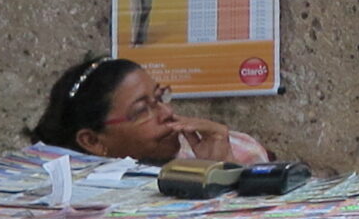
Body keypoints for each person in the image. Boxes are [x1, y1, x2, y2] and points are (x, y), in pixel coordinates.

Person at [34, 57, 269, 164]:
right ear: (92, 141)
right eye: (141, 111)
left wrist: (220, 172)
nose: (167, 113)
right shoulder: (70, 198)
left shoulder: (234, 149)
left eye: (159, 97)